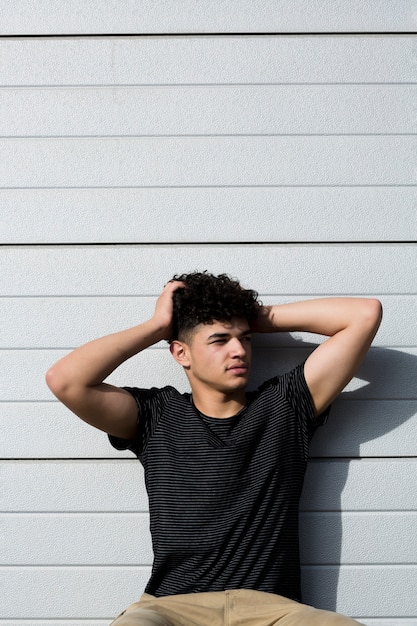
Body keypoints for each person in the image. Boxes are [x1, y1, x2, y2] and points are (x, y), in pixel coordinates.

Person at [46, 271, 382, 626]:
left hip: (274, 611)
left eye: (245, 339)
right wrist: (160, 325)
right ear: (181, 353)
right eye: (219, 339)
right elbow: (65, 380)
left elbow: (364, 314)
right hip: (170, 608)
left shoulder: (285, 405)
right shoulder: (155, 416)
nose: (239, 350)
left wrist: (249, 314)